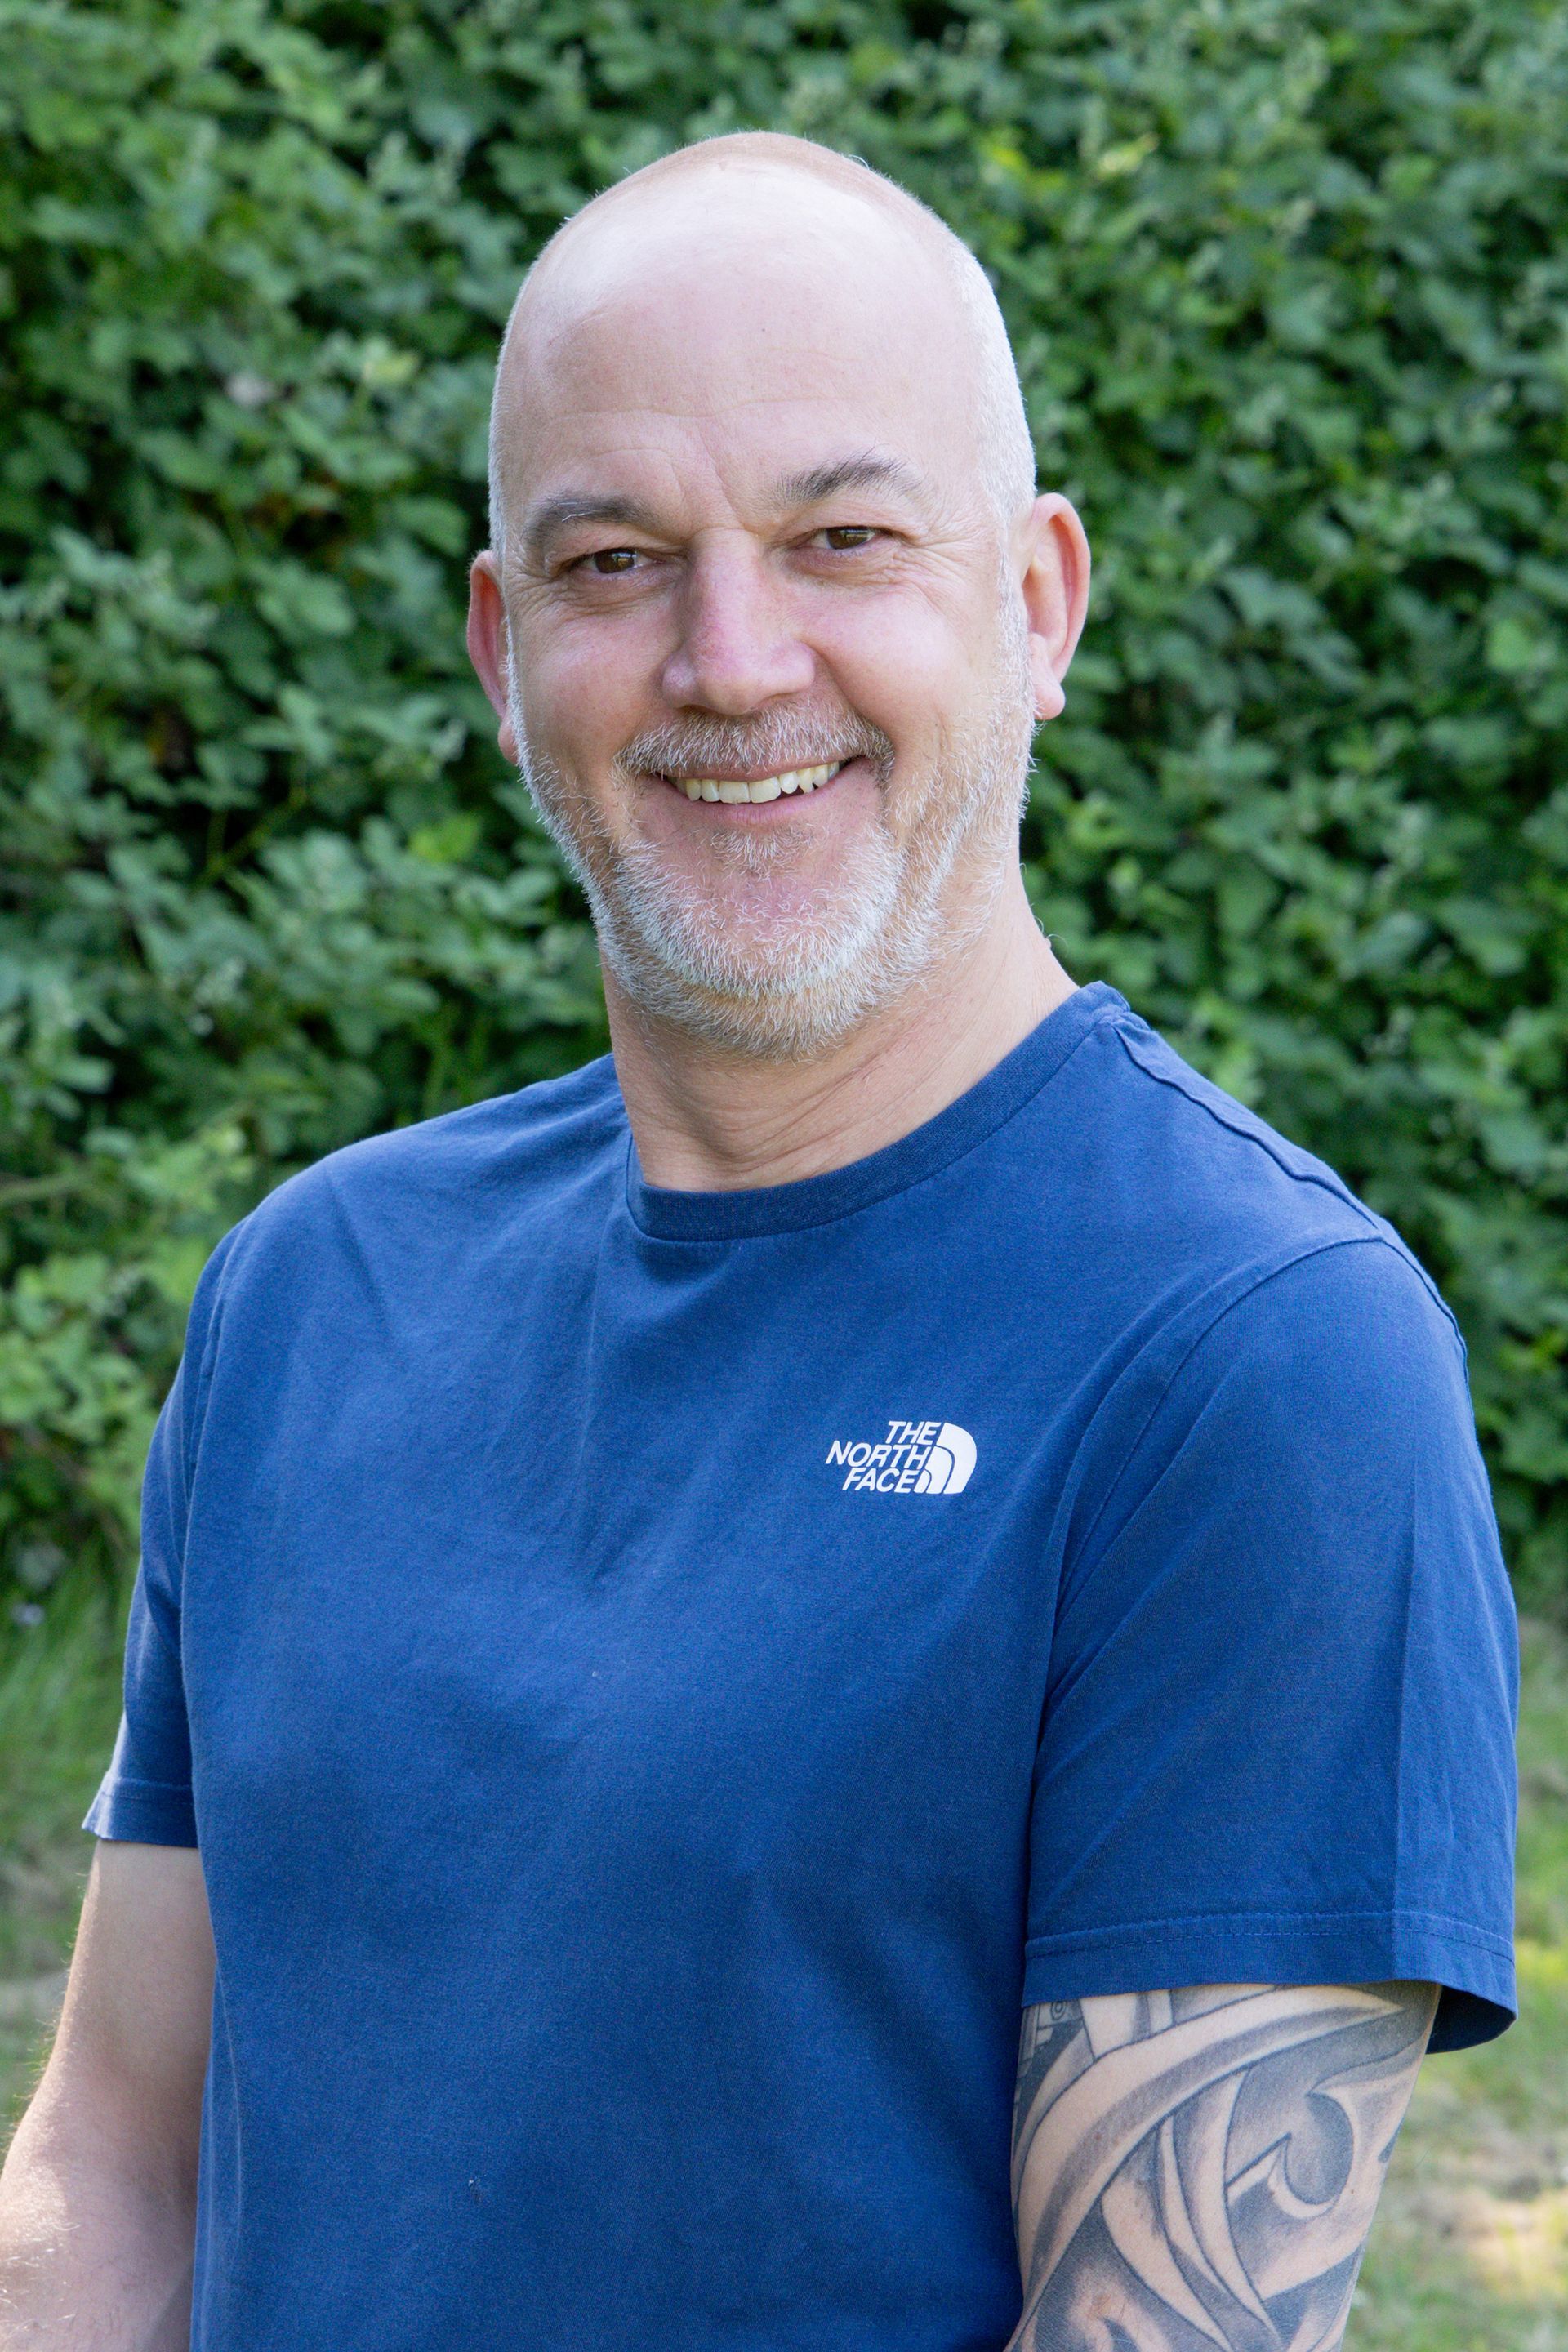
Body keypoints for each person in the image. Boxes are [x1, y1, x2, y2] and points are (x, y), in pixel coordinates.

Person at [0, 132, 1517, 2352]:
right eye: (618, 559)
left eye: (844, 539)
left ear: (1037, 604)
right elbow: (110, 2167)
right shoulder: (312, 1298)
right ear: (507, 655)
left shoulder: (1252, 1360)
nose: (731, 659)